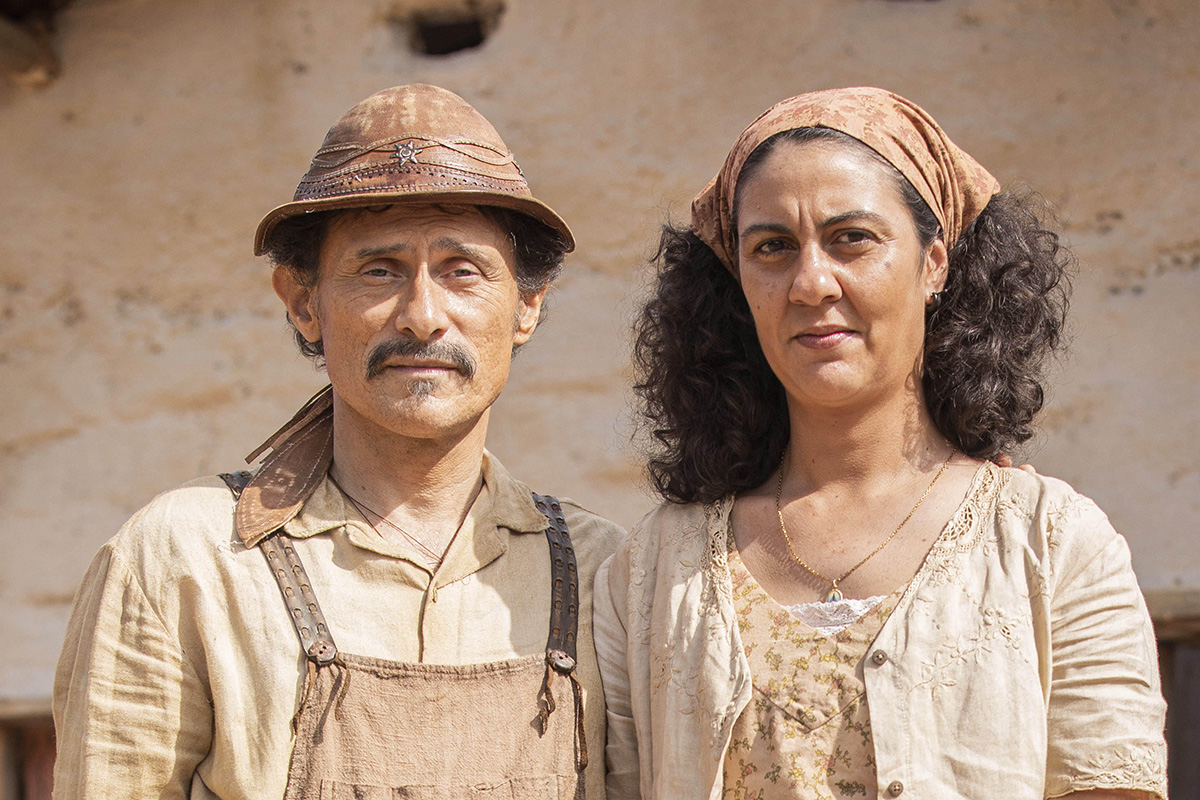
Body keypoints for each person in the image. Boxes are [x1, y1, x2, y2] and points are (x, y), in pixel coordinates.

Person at [53, 84, 624, 799]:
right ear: (303, 302)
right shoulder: (184, 560)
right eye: (378, 270)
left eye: (462, 272)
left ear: (527, 307)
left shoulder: (608, 574)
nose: (421, 317)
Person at [594, 87, 1167, 800]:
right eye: (772, 248)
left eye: (851, 239)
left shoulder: (1053, 547)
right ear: (737, 285)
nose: (810, 283)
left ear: (934, 264)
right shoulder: (652, 569)